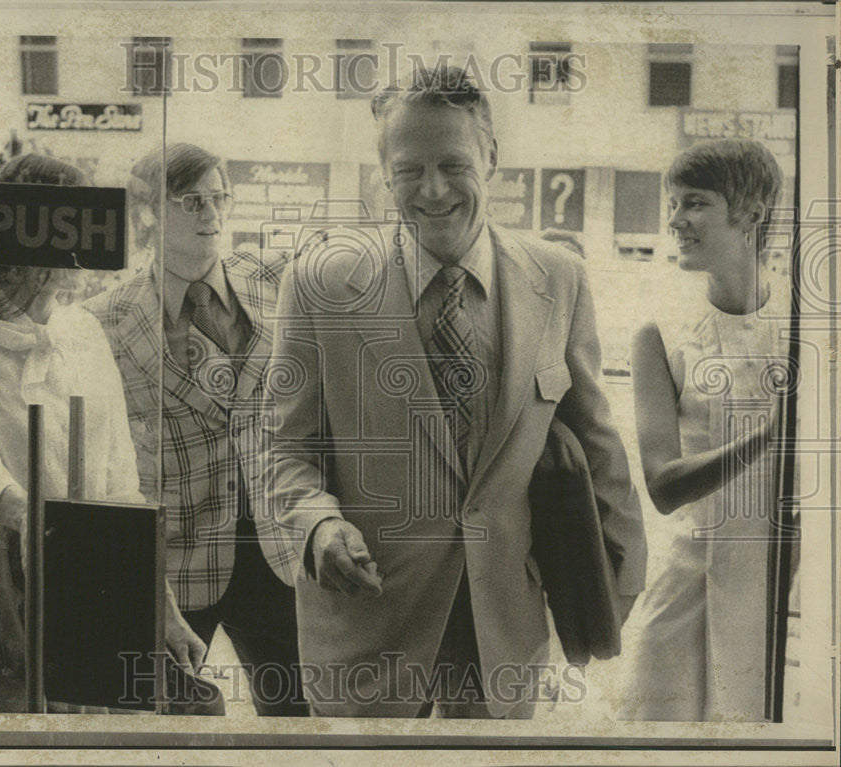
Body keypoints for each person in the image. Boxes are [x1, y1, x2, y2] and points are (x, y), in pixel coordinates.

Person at [265, 65, 647, 718]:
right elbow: (284, 448)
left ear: (491, 157)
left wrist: (621, 579)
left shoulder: (560, 279)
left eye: (453, 163)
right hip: (368, 633)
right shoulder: (316, 285)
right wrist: (317, 525)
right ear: (383, 171)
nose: (433, 189)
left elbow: (597, 441)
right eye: (409, 169)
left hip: (502, 638)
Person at [86, 144, 306, 717]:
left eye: (218, 197)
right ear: (148, 214)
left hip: (276, 550)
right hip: (174, 569)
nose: (212, 212)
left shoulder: (278, 283)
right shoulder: (105, 319)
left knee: (301, 722)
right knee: (160, 724)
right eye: (192, 200)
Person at [0, 154, 170, 710]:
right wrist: (19, 510)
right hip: (6, 598)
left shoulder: (84, 331)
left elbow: (121, 479)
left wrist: (159, 609)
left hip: (88, 597)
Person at [620, 138, 791, 721]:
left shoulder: (811, 332)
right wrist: (771, 433)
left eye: (694, 204)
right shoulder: (659, 335)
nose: (675, 220)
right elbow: (664, 486)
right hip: (684, 587)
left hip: (781, 596)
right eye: (674, 204)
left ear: (750, 212)